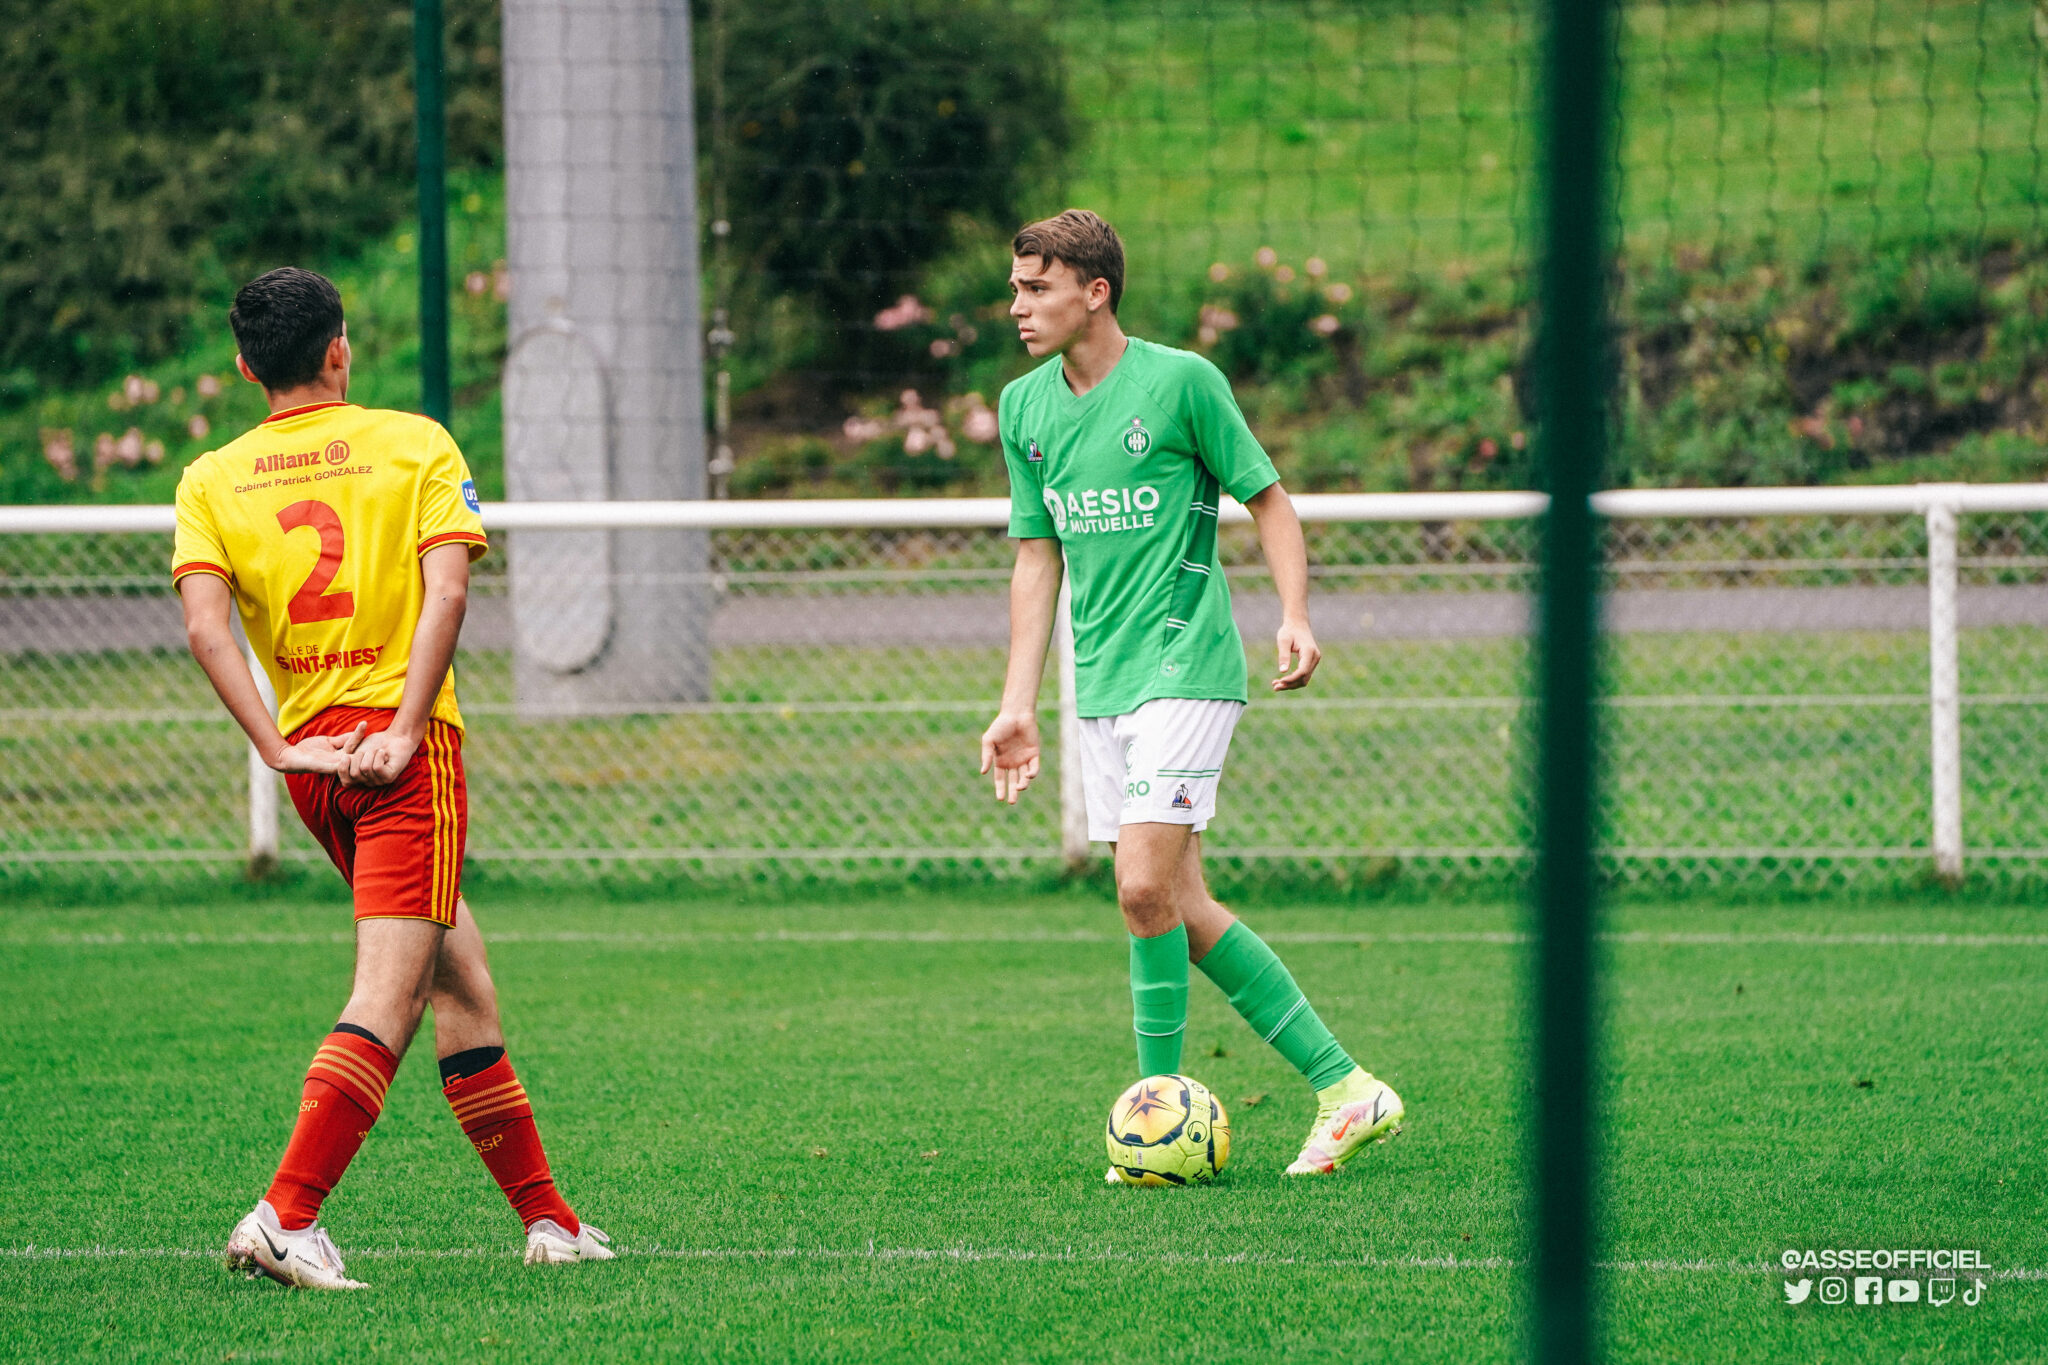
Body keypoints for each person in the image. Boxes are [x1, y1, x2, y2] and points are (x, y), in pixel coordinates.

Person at [173, 267, 611, 1288]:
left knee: (461, 976)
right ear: (340, 349)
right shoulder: (415, 442)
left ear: (244, 366)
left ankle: (550, 1221)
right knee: (394, 990)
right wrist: (408, 729)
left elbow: (206, 628)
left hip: (316, 762)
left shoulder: (210, 477)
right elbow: (446, 597)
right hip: (401, 760)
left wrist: (279, 747)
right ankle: (287, 1214)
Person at [979, 212, 1405, 1180]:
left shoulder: (1179, 383)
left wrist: (1292, 613)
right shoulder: (1022, 408)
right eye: (1013, 288)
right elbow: (1035, 558)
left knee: (1137, 888)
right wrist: (1018, 703)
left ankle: (1153, 1120)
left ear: (1095, 291)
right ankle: (1347, 1089)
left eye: (1034, 288)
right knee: (1176, 898)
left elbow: (1268, 499)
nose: (1016, 308)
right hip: (1103, 682)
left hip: (1187, 666)